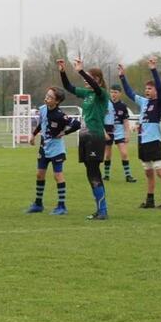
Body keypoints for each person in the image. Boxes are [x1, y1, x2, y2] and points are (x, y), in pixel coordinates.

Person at [58, 57, 110, 220]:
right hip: (85, 136)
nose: (86, 80)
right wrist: (63, 72)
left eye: (90, 77)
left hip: (95, 136)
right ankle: (100, 209)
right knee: (90, 173)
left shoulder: (102, 95)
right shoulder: (87, 94)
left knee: (94, 172)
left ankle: (103, 210)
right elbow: (68, 87)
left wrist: (81, 71)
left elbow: (95, 87)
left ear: (98, 80)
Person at [118, 57, 161, 209]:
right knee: (148, 173)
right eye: (146, 88)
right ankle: (150, 201)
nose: (147, 90)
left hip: (154, 142)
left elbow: (160, 88)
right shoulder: (144, 102)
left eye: (150, 88)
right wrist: (122, 76)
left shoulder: (160, 102)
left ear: (155, 91)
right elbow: (129, 92)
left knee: (160, 171)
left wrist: (153, 69)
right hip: (142, 141)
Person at [26, 87, 81, 215]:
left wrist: (64, 132)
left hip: (56, 149)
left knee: (58, 176)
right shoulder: (43, 109)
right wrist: (33, 134)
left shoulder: (60, 115)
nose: (47, 98)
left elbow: (77, 124)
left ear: (57, 101)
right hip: (44, 147)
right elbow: (42, 123)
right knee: (39, 174)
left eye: (50, 97)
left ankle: (62, 206)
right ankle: (38, 204)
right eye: (47, 95)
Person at [103, 87, 137, 182]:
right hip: (108, 131)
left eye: (115, 92)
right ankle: (106, 175)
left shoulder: (123, 105)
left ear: (120, 93)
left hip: (119, 132)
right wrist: (104, 132)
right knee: (107, 155)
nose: (113, 94)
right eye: (112, 92)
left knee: (124, 153)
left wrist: (127, 134)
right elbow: (101, 119)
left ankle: (128, 176)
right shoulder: (106, 104)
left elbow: (125, 121)